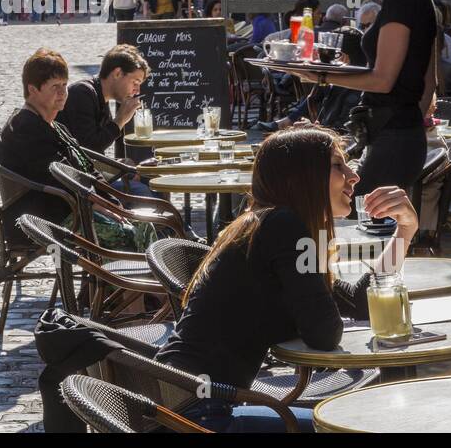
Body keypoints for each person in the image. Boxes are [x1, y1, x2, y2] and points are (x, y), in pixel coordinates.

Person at [156, 126, 420, 432]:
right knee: (356, 425)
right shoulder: (283, 226)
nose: (354, 175)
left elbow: (358, 302)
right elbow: (324, 333)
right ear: (302, 176)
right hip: (201, 415)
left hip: (190, 402)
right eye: (338, 165)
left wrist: (405, 230)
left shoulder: (270, 224)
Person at [286, 0, 439, 197]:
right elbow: (430, 81)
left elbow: (382, 80)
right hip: (402, 134)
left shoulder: (401, 1)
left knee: (356, 216)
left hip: (393, 135)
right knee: (375, 225)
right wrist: (408, 124)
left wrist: (322, 76)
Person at [0, 49, 149, 251]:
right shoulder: (26, 126)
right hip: (41, 222)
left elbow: (86, 166)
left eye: (64, 85)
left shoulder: (55, 125)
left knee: (143, 224)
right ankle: (114, 282)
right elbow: (62, 177)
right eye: (55, 87)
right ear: (33, 90)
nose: (62, 93)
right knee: (130, 234)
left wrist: (111, 203)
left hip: (69, 211)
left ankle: (123, 281)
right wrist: (97, 204)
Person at [56, 44, 149, 154]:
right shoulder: (82, 93)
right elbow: (90, 148)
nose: (137, 91)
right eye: (135, 82)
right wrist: (120, 120)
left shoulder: (99, 96)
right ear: (117, 73)